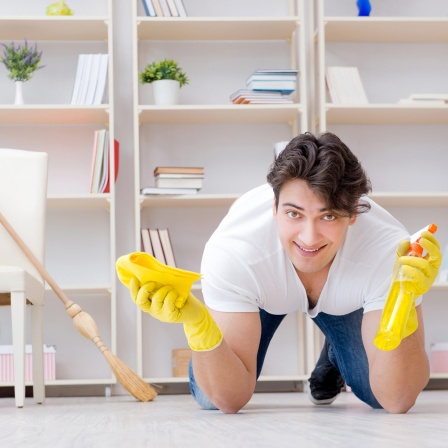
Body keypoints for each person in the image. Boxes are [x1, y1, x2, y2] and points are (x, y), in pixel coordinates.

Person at [119, 131, 441, 414]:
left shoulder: (387, 251)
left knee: (378, 395)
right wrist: (197, 322)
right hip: (262, 291)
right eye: (293, 214)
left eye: (327, 217)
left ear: (353, 212)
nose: (309, 237)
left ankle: (334, 354)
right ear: (274, 207)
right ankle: (337, 345)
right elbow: (230, 399)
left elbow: (398, 399)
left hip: (348, 297)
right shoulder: (235, 250)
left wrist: (405, 300)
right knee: (209, 397)